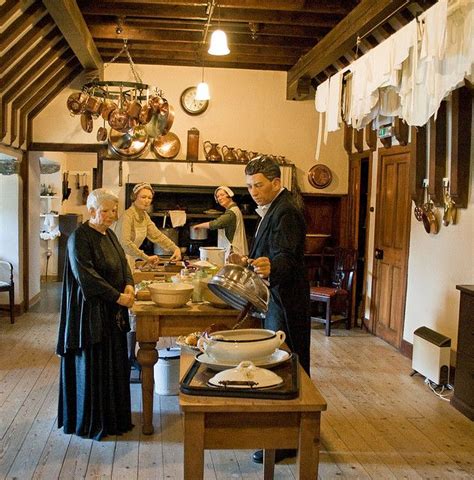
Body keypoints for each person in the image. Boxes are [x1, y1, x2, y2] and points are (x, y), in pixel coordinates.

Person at [244, 156, 310, 464]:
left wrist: (272, 267)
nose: (253, 191)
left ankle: (288, 440)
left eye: (258, 185)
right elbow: (270, 252)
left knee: (288, 365)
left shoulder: (287, 212)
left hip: (286, 298)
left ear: (276, 183)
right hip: (279, 295)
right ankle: (286, 431)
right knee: (280, 363)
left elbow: (285, 256)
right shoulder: (273, 208)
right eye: (249, 186)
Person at [56, 188, 135, 440]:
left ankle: (113, 419)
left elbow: (123, 264)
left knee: (113, 363)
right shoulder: (79, 238)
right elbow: (86, 276)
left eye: (114, 210)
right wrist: (118, 296)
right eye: (106, 211)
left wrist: (130, 284)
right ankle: (92, 421)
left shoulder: (109, 234)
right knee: (94, 364)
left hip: (112, 310)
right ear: (91, 212)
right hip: (89, 312)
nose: (112, 215)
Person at [114, 182, 182, 375]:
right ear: (134, 197)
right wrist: (145, 257)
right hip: (120, 262)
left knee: (132, 312)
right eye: (143, 197)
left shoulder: (143, 216)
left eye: (149, 198)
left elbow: (157, 236)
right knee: (127, 311)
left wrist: (174, 248)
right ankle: (125, 359)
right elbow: (124, 243)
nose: (146, 201)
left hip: (130, 263)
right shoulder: (127, 216)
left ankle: (131, 357)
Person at [192, 186, 248, 260]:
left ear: (229, 195)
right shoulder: (233, 210)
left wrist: (198, 226)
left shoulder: (232, 212)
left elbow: (217, 223)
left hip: (234, 251)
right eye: (218, 197)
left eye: (222, 195)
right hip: (235, 251)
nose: (220, 198)